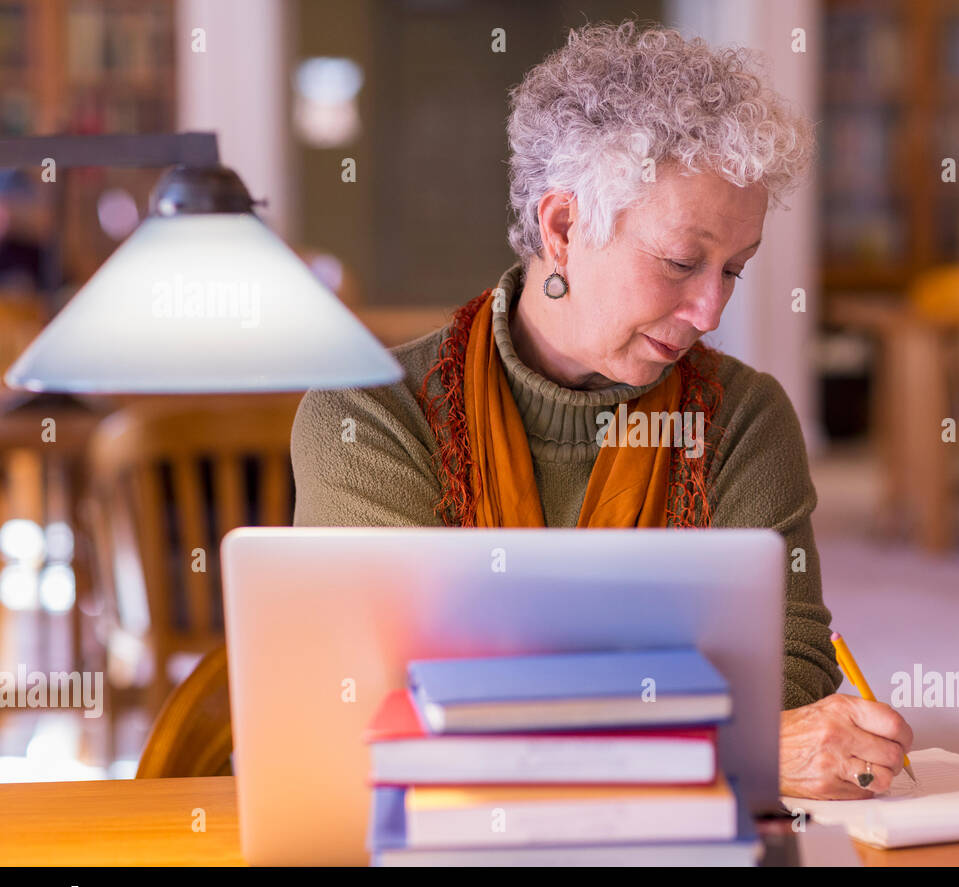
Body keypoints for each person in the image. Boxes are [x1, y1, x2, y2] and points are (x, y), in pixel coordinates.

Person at [291, 19, 913, 799]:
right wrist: (730, 735)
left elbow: (791, 676)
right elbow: (393, 707)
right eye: (682, 262)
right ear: (562, 228)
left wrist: (534, 707)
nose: (711, 310)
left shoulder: (747, 416)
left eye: (736, 271)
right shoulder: (369, 414)